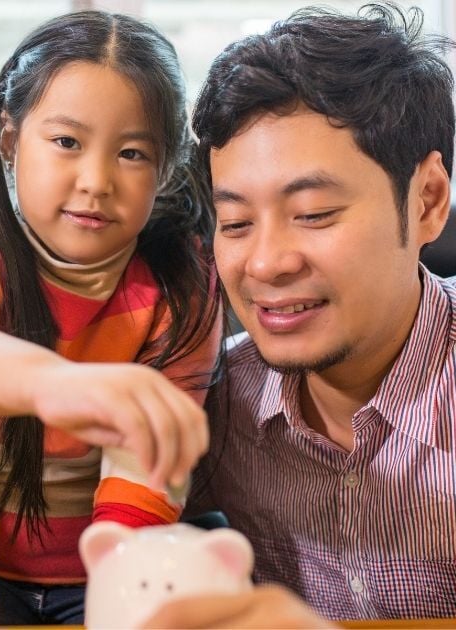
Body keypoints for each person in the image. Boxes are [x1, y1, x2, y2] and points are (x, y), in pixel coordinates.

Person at [0, 10, 223, 625]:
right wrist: (57, 383)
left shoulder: (182, 284)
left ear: (165, 167)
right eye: (66, 142)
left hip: (111, 568)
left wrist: (116, 592)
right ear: (10, 138)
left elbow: (142, 480)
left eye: (133, 153)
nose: (96, 181)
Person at [172, 2, 456, 623]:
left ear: (428, 200)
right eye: (236, 223)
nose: (266, 264)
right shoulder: (217, 397)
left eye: (315, 214)